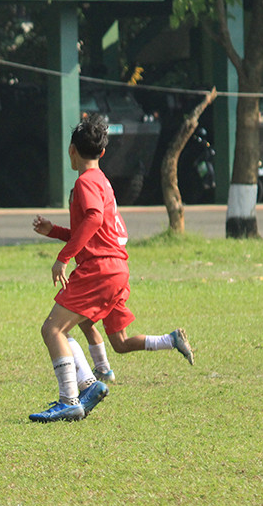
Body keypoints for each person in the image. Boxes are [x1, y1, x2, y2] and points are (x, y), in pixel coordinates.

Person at [30, 113, 194, 423]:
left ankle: (69, 400)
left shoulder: (85, 182)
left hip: (100, 269)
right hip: (116, 267)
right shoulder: (103, 181)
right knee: (99, 335)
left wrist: (63, 257)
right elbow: (93, 229)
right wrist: (55, 231)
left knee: (52, 329)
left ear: (71, 150)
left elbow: (92, 219)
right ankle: (93, 381)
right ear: (103, 153)